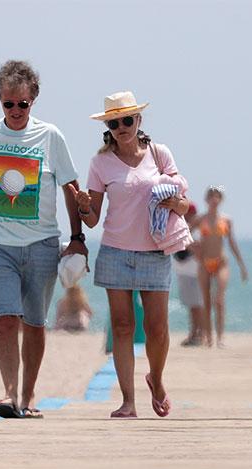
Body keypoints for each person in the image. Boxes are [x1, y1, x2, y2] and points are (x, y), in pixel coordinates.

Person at [0, 60, 86, 420]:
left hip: (42, 245)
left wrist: (77, 238)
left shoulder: (51, 137)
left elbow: (70, 188)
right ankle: (10, 393)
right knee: (6, 320)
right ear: (0, 100)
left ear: (34, 100)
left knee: (34, 322)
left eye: (22, 104)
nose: (15, 111)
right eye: (8, 104)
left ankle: (29, 395)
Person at [75, 91, 189, 418]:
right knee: (123, 326)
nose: (121, 126)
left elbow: (183, 204)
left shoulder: (159, 153)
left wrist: (175, 204)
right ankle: (128, 401)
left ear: (139, 121)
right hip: (115, 251)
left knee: (157, 329)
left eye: (127, 120)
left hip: (155, 252)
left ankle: (157, 378)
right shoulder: (100, 163)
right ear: (107, 127)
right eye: (114, 122)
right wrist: (83, 207)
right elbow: (94, 217)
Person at [194, 186, 248, 348]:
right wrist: (193, 248)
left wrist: (241, 265)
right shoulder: (199, 219)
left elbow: (232, 242)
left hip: (221, 262)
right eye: (211, 196)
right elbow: (184, 233)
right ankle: (208, 337)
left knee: (219, 300)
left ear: (221, 199)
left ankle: (221, 337)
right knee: (206, 301)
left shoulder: (226, 220)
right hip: (204, 262)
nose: (214, 199)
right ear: (206, 199)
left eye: (217, 196)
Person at [174, 204, 205, 346]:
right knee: (192, 306)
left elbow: (199, 250)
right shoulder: (182, 229)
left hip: (194, 272)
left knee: (197, 305)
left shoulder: (197, 231)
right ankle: (194, 334)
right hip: (184, 272)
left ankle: (201, 335)